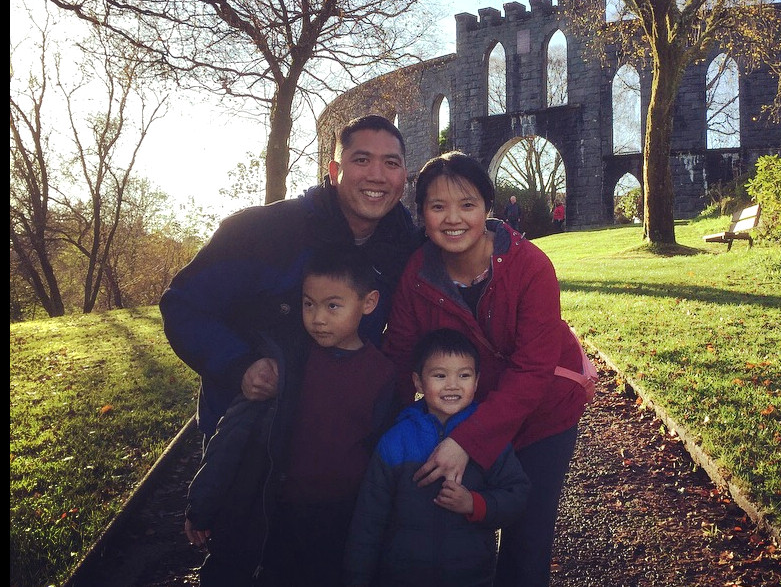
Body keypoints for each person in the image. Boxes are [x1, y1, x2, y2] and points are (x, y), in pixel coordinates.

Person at [382, 152, 592, 587]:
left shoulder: (530, 266)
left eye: (467, 204)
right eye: (437, 206)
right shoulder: (416, 275)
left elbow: (534, 370)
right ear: (421, 215)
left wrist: (466, 441)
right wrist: (390, 437)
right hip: (467, 409)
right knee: (453, 527)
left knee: (526, 540)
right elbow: (399, 359)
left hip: (544, 414)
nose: (452, 218)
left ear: (488, 209)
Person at [160, 114, 420, 445]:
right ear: (335, 172)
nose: (377, 175)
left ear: (403, 176)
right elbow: (184, 304)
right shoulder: (264, 231)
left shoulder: (402, 246)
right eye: (362, 160)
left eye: (391, 163)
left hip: (345, 439)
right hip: (254, 439)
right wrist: (241, 366)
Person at [184, 247, 400, 586]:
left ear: (369, 303)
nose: (318, 318)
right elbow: (233, 432)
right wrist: (202, 504)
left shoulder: (383, 374)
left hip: (344, 515)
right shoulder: (288, 362)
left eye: (333, 306)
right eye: (308, 303)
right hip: (279, 510)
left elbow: (385, 453)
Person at [344, 328, 530, 587]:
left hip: (470, 576)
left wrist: (473, 504)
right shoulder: (396, 441)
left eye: (464, 375)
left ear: (477, 382)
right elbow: (369, 519)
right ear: (418, 382)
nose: (452, 385)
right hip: (401, 576)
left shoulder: (488, 439)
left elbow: (517, 494)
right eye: (440, 375)